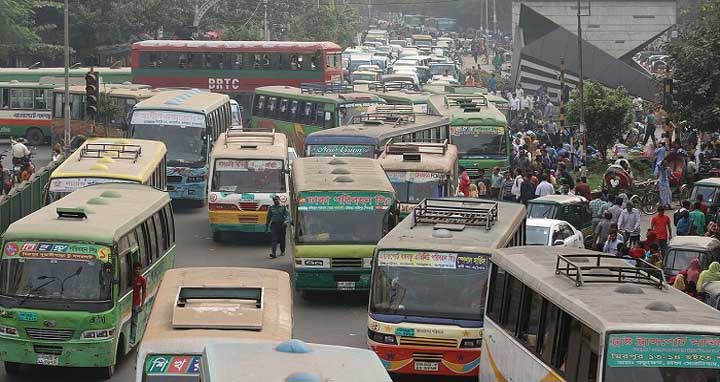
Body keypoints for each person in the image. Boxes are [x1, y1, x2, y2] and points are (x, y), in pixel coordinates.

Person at [130, 262, 146, 345]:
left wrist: (142, 304)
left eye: (139, 269)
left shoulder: (142, 280)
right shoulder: (130, 278)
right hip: (129, 303)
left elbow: (144, 292)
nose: (138, 270)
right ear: (133, 270)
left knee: (134, 322)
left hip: (136, 303)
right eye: (136, 269)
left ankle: (132, 338)